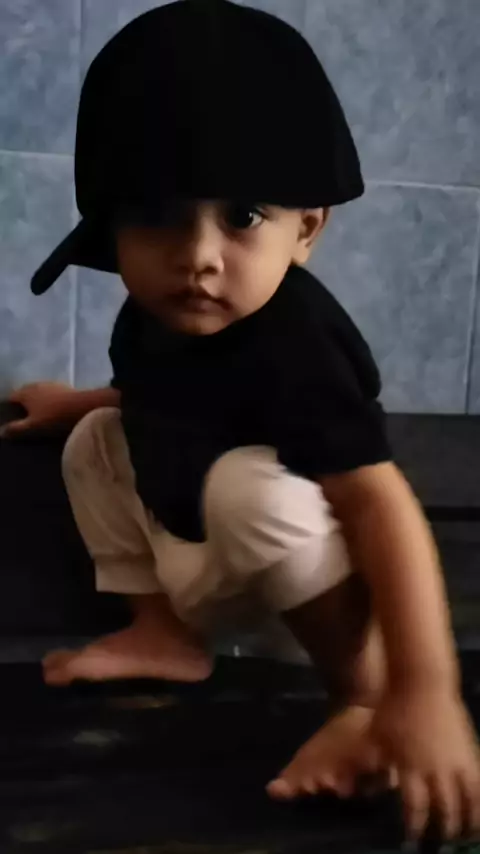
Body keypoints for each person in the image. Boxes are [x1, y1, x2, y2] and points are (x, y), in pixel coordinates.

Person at [7, 0, 480, 843]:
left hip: (293, 590)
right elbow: (153, 397)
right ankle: (163, 631)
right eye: (160, 215)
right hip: (190, 548)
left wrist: (425, 691)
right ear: (113, 231)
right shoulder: (150, 318)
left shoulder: (298, 345)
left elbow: (381, 504)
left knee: (255, 490)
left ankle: (359, 698)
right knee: (95, 443)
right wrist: (74, 404)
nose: (198, 257)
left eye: (243, 216)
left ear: (307, 231)